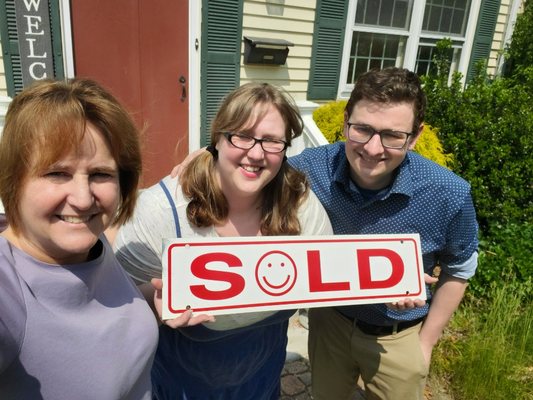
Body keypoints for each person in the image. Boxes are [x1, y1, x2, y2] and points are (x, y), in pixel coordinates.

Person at [113, 82, 333, 400]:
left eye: (272, 141)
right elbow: (121, 300)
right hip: (182, 386)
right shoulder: (163, 210)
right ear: (218, 137)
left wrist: (397, 281)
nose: (256, 153)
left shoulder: (299, 204)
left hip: (261, 380)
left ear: (285, 148)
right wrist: (154, 305)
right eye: (242, 136)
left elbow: (331, 271)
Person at [287, 67, 479, 400]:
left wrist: (426, 342)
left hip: (399, 336)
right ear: (346, 121)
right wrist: (208, 155)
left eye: (392, 135)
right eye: (362, 129)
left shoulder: (448, 192)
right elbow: (257, 168)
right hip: (330, 324)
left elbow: (459, 269)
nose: (374, 148)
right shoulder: (311, 167)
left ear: (415, 137)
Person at [0, 78, 159, 399]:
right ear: (14, 178)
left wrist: (152, 302)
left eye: (101, 174)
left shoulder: (90, 245)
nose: (84, 199)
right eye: (56, 173)